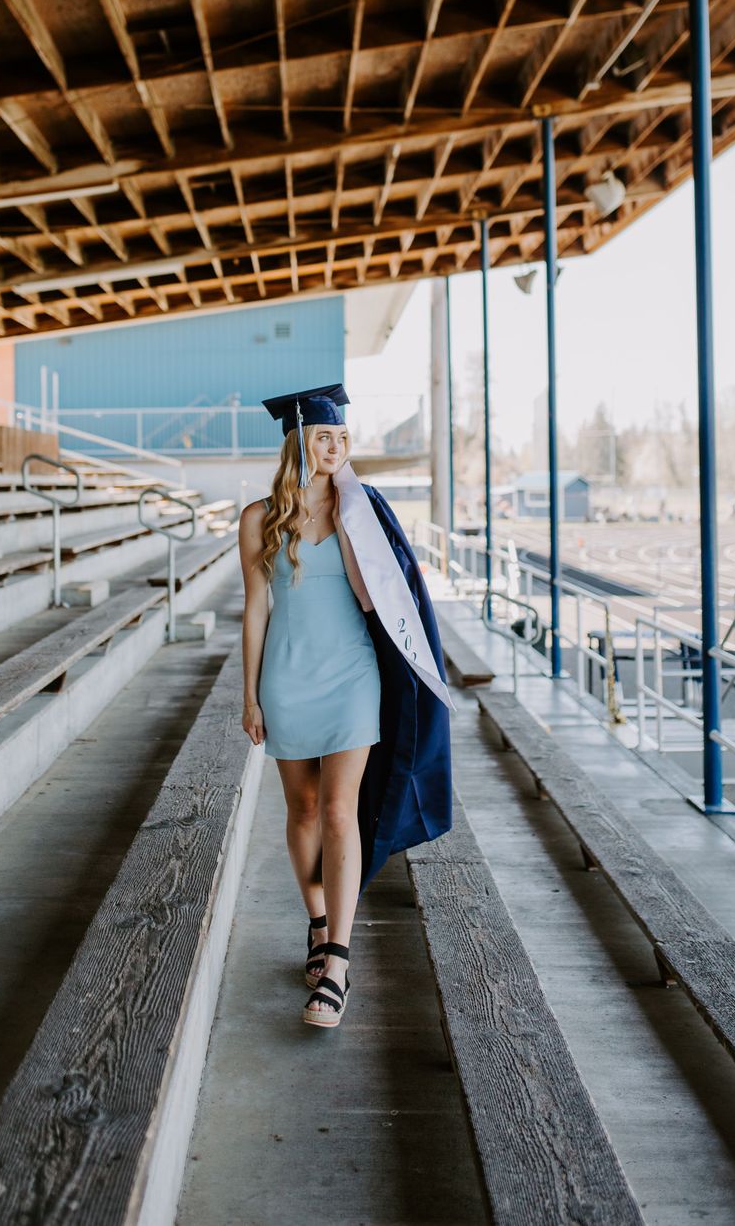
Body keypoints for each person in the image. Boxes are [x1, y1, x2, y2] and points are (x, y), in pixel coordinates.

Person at [237, 384, 453, 1030]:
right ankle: (317, 921)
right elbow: (255, 610)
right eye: (323, 439)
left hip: (355, 675)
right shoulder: (258, 518)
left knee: (338, 810)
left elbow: (390, 597)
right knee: (302, 809)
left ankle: (337, 960)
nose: (335, 449)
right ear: (298, 444)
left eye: (341, 440)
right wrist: (248, 693)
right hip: (288, 675)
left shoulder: (363, 512)